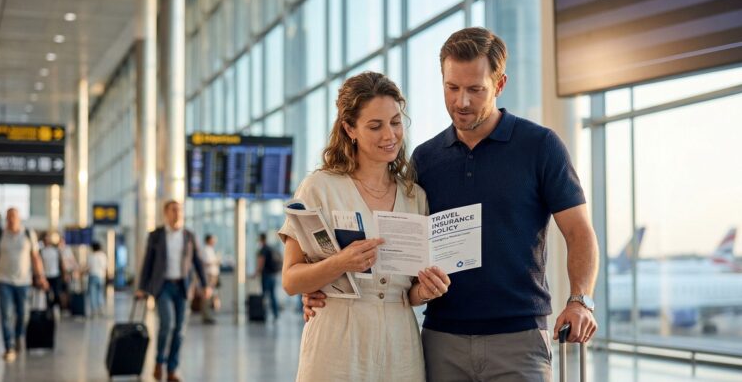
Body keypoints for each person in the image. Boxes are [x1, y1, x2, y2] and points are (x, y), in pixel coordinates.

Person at [304, 27, 600, 381]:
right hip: (441, 339)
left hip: (518, 338)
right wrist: (323, 286)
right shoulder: (425, 160)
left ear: (500, 84)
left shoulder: (540, 146)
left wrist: (580, 299)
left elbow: (579, 231)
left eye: (475, 90)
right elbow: (402, 253)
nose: (462, 102)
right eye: (452, 87)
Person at [279, 71, 452, 381]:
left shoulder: (415, 196)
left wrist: (425, 291)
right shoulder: (319, 188)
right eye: (375, 126)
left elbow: (408, 290)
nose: (390, 135)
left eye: (395, 122)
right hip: (336, 341)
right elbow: (291, 281)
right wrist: (340, 263)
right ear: (349, 129)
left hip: (401, 344)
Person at [135, 200, 211, 382]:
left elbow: (198, 262)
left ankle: (172, 369)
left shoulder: (188, 236)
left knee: (180, 330)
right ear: (165, 213)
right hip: (163, 287)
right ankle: (159, 361)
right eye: (173, 210)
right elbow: (148, 262)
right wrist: (141, 287)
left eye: (180, 210)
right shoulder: (156, 236)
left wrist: (205, 284)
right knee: (167, 324)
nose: (177, 213)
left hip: (182, 287)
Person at [0, 207, 49, 362]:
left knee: (24, 314)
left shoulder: (28, 235)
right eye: (9, 217)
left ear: (19, 219)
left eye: (14, 217)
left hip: (24, 281)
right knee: (6, 314)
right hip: (4, 280)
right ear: (6, 219)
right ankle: (9, 346)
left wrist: (41, 277)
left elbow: (35, 258)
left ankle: (18, 336)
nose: (11, 220)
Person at [255, 232, 280, 320]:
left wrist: (257, 272)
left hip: (266, 275)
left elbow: (261, 261)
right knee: (273, 295)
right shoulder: (271, 248)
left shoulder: (263, 249)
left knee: (264, 295)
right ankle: (275, 314)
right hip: (273, 275)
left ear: (261, 239)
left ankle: (263, 314)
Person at [40, 232, 64, 311]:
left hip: (55, 274)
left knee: (57, 293)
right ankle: (49, 310)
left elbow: (61, 262)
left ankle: (55, 306)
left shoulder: (56, 250)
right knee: (46, 295)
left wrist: (64, 273)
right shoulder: (41, 251)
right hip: (46, 275)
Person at [200, 234, 220, 324]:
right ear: (208, 240)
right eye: (213, 239)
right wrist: (216, 261)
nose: (215, 241)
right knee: (207, 296)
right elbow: (205, 263)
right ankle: (206, 316)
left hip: (213, 276)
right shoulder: (205, 250)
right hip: (208, 275)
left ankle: (208, 315)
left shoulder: (211, 250)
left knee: (211, 296)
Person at [87, 241, 107, 316]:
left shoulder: (91, 256)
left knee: (93, 293)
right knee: (100, 293)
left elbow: (89, 267)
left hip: (92, 275)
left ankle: (93, 310)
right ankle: (101, 308)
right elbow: (104, 267)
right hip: (101, 276)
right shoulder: (103, 256)